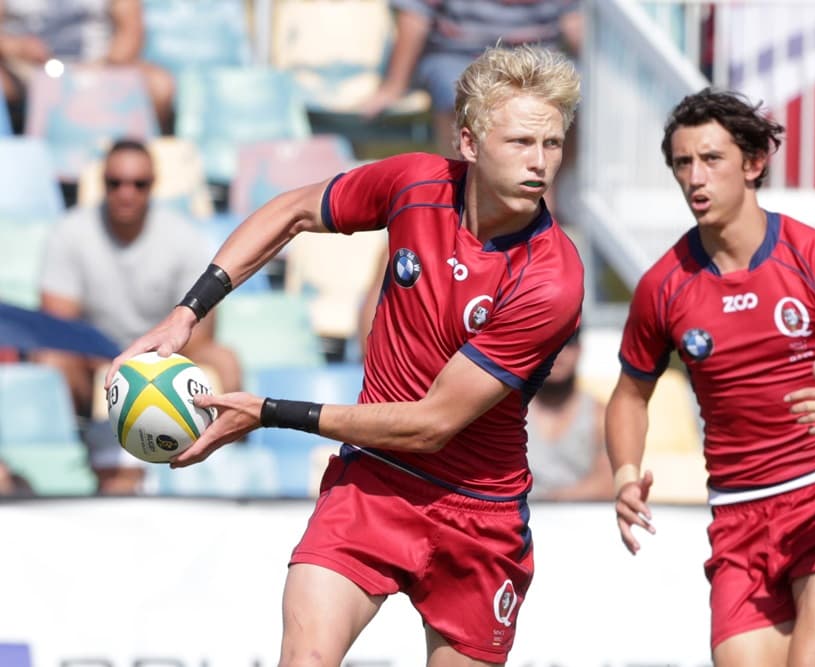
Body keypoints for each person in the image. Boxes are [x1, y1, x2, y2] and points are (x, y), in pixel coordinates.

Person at [106, 45, 583, 665]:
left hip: (479, 517)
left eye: (552, 145)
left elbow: (430, 423)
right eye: (521, 142)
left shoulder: (552, 279)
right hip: (373, 484)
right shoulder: (415, 183)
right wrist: (185, 314)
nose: (540, 163)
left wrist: (269, 412)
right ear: (469, 142)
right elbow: (293, 211)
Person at [605, 88, 815, 666]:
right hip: (739, 517)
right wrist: (626, 475)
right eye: (683, 163)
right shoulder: (665, 284)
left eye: (711, 159)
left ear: (753, 164)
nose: (695, 178)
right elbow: (631, 396)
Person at [36, 138, 241, 494]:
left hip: (168, 352)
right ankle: (75, 450)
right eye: (115, 183)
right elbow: (58, 328)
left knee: (226, 361)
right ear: (103, 184)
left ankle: (226, 466)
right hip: (93, 356)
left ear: (153, 185)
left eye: (138, 184)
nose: (126, 193)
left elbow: (203, 333)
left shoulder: (183, 238)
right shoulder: (71, 232)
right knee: (51, 359)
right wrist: (120, 363)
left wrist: (148, 363)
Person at [360, 0, 583, 157]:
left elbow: (574, 22)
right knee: (455, 92)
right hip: (460, 56)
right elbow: (414, 18)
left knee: (576, 94)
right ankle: (461, 188)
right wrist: (394, 85)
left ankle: (546, 196)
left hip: (538, 59)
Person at [0, 0, 174, 131]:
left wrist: (103, 67)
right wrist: (17, 46)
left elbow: (131, 32)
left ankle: (148, 161)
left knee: (159, 85)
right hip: (26, 70)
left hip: (102, 66)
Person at [525, 329, 613, 501]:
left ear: (580, 350)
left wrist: (551, 503)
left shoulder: (601, 416)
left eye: (567, 343)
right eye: (549, 344)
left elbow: (609, 484)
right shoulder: (507, 412)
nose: (559, 353)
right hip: (514, 521)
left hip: (578, 521)